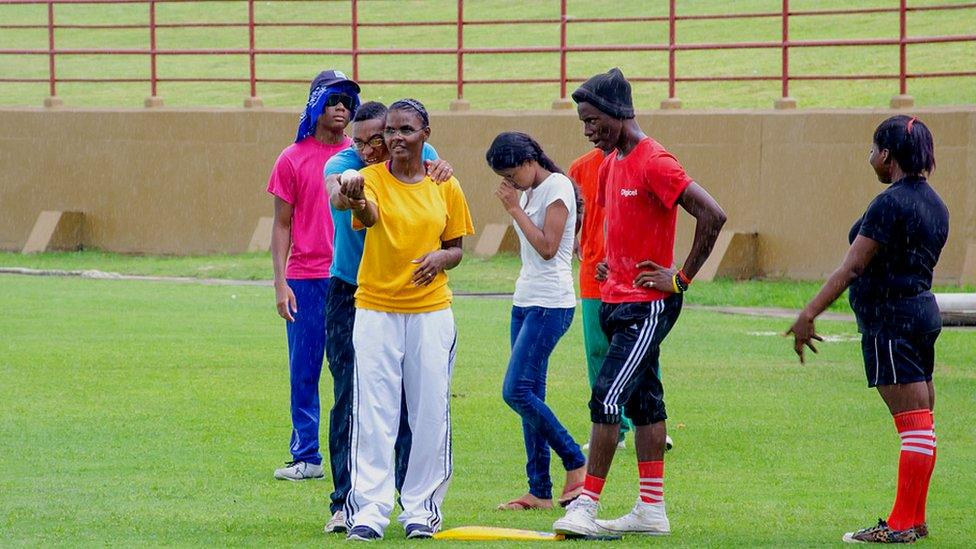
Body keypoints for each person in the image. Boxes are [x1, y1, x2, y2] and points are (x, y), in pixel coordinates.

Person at [553, 68, 726, 537]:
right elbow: (625, 222)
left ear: (618, 113)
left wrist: (681, 278)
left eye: (593, 121)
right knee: (647, 401)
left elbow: (712, 214)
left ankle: (585, 505)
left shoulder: (655, 160)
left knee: (607, 396)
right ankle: (651, 511)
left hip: (648, 306)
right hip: (616, 298)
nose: (589, 132)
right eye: (583, 124)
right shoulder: (611, 161)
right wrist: (612, 261)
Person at [788, 115, 947, 544]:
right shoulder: (935, 204)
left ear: (887, 155)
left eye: (873, 149)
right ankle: (913, 519)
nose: (870, 157)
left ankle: (899, 524)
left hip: (891, 322)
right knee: (922, 425)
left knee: (913, 425)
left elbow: (854, 266)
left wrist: (809, 312)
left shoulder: (890, 203)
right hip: (922, 315)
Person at [338, 99, 474, 541]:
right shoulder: (371, 179)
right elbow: (368, 215)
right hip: (376, 310)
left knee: (430, 411)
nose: (396, 138)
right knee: (374, 412)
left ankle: (421, 509)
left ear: (425, 134)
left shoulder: (445, 184)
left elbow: (456, 246)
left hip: (430, 313)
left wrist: (440, 257)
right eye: (390, 132)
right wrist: (357, 199)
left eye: (406, 130)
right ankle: (370, 510)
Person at [266, 70, 360, 482]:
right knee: (304, 368)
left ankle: (353, 451)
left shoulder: (361, 156)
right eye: (334, 99)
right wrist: (280, 282)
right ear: (315, 104)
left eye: (348, 102)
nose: (342, 108)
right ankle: (306, 456)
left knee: (351, 369)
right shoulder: (292, 158)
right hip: (304, 277)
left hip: (352, 278)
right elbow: (281, 224)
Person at [485, 132, 587, 511]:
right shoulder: (529, 192)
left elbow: (547, 248)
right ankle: (539, 489)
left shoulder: (557, 187)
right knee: (532, 395)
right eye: (504, 178)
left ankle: (575, 460)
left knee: (516, 391)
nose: (509, 184)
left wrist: (514, 209)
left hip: (551, 305)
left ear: (530, 162)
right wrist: (519, 202)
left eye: (512, 175)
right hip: (525, 301)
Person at [571, 147, 676, 454]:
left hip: (635, 275)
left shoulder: (645, 162)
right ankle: (613, 428)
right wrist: (576, 236)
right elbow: (575, 211)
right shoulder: (581, 168)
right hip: (595, 273)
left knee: (643, 350)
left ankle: (648, 420)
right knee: (597, 350)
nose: (591, 129)